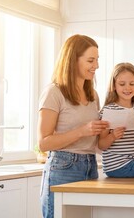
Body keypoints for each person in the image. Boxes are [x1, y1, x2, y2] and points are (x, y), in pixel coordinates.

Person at [38, 34, 109, 218]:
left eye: (97, 60)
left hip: (90, 166)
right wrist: (82, 131)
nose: (97, 66)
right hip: (63, 168)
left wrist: (110, 132)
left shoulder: (93, 94)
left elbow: (97, 143)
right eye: (91, 60)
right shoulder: (54, 92)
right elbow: (44, 143)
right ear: (72, 60)